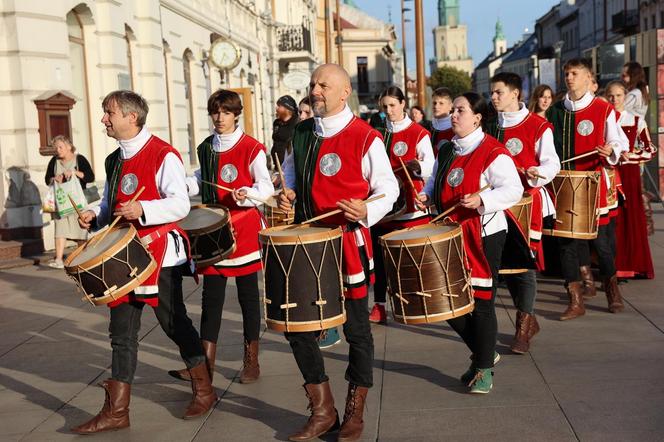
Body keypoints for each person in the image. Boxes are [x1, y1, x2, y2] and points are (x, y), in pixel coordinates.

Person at [72, 90, 216, 434]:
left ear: (130, 117)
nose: (104, 119)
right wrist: (96, 214)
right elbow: (112, 204)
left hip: (158, 252)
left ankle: (204, 389)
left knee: (172, 321)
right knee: (121, 332)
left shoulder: (163, 154)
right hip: (124, 256)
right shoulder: (114, 160)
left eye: (109, 113)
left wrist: (145, 210)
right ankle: (117, 411)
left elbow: (180, 203)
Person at [279, 63, 398, 441]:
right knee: (297, 329)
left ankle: (354, 409)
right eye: (313, 84)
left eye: (323, 85)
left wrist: (367, 209)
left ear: (344, 92)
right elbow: (290, 177)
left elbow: (388, 189)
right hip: (308, 244)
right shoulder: (300, 133)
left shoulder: (366, 136)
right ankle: (322, 407)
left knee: (357, 331)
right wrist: (287, 194)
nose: (315, 90)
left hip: (347, 243)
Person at [417, 92, 523, 393]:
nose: (453, 115)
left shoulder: (494, 151)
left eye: (460, 111)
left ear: (477, 117)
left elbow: (512, 189)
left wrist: (481, 198)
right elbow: (434, 179)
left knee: (482, 303)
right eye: (452, 111)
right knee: (448, 301)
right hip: (451, 233)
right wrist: (426, 193)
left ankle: (484, 369)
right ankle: (484, 352)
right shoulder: (447, 149)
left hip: (485, 233)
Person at [168, 89, 274, 385]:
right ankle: (205, 365)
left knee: (248, 298)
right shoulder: (206, 147)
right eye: (215, 112)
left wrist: (249, 193)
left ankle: (251, 360)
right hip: (214, 233)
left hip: (245, 229)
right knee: (211, 299)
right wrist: (178, 186)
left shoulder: (252, 147)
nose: (219, 118)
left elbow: (266, 187)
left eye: (226, 112)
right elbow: (199, 178)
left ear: (236, 114)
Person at [545, 58, 627, 319]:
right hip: (565, 185)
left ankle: (612, 289)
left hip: (593, 184)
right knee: (567, 243)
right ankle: (575, 300)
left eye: (575, 73)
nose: (569, 77)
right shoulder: (556, 111)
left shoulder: (602, 109)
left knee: (601, 243)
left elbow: (617, 140)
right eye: (566, 73)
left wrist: (610, 149)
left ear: (587, 76)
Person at [487, 72, 560, 354]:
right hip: (496, 204)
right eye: (492, 93)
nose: (493, 97)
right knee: (504, 264)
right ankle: (527, 319)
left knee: (524, 264)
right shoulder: (491, 128)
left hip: (526, 204)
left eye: (499, 92)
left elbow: (551, 164)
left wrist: (537, 172)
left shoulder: (538, 125)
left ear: (515, 93)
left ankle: (523, 325)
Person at [368, 86, 434, 324]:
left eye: (393, 105)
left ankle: (420, 301)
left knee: (414, 258)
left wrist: (418, 165)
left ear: (403, 104)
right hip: (384, 206)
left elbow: (431, 166)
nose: (389, 111)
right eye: (384, 107)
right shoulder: (376, 134)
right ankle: (379, 306)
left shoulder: (419, 133)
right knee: (381, 259)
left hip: (411, 204)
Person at [605, 81, 655, 279]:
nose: (614, 99)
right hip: (610, 173)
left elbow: (650, 150)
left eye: (618, 95)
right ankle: (612, 266)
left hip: (629, 175)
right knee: (611, 221)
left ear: (625, 96)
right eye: (610, 95)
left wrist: (631, 156)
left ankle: (634, 265)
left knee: (631, 219)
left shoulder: (636, 120)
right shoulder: (603, 119)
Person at [44, 135, 94, 268]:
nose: (57, 150)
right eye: (56, 147)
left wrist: (74, 173)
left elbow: (90, 177)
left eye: (60, 147)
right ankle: (59, 259)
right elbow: (47, 179)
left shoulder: (79, 159)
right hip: (61, 202)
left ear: (69, 147)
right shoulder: (54, 161)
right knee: (60, 228)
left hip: (78, 200)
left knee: (80, 229)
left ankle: (83, 259)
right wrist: (55, 178)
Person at [272, 95, 299, 164]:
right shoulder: (277, 123)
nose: (276, 108)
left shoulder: (297, 123)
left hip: (291, 165)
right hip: (277, 165)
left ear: (287, 108)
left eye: (279, 106)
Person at [430, 87, 455, 157]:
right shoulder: (427, 126)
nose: (436, 106)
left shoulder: (456, 127)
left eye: (441, 103)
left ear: (450, 106)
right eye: (434, 103)